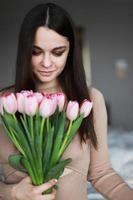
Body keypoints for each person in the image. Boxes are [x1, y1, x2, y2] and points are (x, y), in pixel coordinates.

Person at [0, 3, 133, 200]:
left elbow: (102, 174)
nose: (46, 63)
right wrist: (13, 192)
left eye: (57, 52)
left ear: (70, 51)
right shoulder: (4, 103)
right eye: (36, 51)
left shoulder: (90, 100)